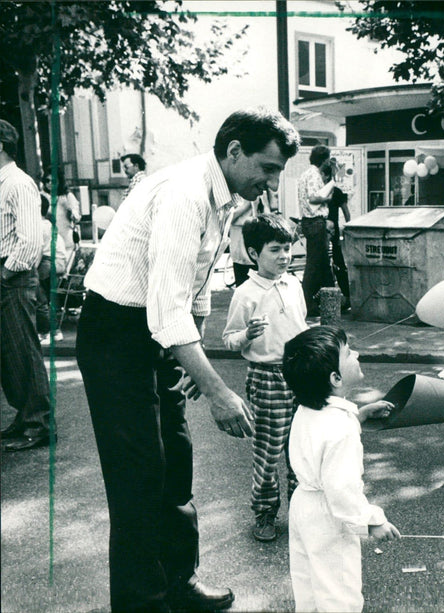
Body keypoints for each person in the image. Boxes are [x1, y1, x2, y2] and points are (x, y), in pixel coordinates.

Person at [75, 107, 300, 612]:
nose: (270, 182)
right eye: (267, 168)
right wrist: (219, 389)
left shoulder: (223, 195)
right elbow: (165, 308)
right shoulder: (185, 194)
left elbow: (197, 288)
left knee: (175, 460)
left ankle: (179, 580)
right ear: (234, 150)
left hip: (155, 333)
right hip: (117, 333)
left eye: (278, 172)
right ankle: (143, 602)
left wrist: (187, 356)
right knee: (137, 478)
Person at [283, 325, 400, 612]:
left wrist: (358, 415)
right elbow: (341, 488)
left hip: (303, 505)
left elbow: (320, 444)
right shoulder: (341, 429)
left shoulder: (309, 407)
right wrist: (371, 520)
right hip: (328, 515)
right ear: (335, 378)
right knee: (339, 591)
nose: (356, 354)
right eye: (348, 353)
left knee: (309, 582)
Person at [222, 213, 308, 542]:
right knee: (269, 451)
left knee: (303, 448)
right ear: (255, 254)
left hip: (300, 373)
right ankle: (265, 512)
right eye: (275, 250)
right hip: (267, 377)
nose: (284, 256)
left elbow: (299, 326)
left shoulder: (294, 284)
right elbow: (229, 339)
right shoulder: (246, 293)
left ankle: (302, 514)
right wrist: (247, 334)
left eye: (287, 248)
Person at [0, 120, 53, 452]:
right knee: (8, 355)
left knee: (23, 351)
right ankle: (25, 414)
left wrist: (6, 272)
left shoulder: (18, 183)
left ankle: (40, 423)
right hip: (8, 274)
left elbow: (31, 240)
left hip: (13, 276)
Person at [297, 145, 335, 316]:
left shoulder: (306, 174)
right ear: (324, 159)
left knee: (322, 263)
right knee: (315, 264)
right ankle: (308, 303)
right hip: (316, 221)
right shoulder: (313, 174)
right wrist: (327, 197)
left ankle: (328, 301)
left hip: (310, 221)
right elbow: (313, 198)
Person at [320, 157, 351, 310]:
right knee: (325, 264)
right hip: (321, 232)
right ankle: (328, 298)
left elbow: (346, 212)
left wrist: (347, 230)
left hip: (333, 232)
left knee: (338, 264)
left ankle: (346, 297)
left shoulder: (336, 192)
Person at [36, 193, 67, 344]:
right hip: (57, 262)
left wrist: (33, 269)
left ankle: (45, 332)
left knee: (41, 300)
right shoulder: (50, 226)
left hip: (46, 263)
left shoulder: (39, 226)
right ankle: (55, 331)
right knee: (51, 300)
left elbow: (38, 250)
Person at [41, 165, 81, 263]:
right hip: (49, 245)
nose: (50, 183)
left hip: (66, 241)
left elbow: (77, 217)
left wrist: (71, 211)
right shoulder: (42, 197)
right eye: (47, 181)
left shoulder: (67, 196)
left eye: (53, 181)